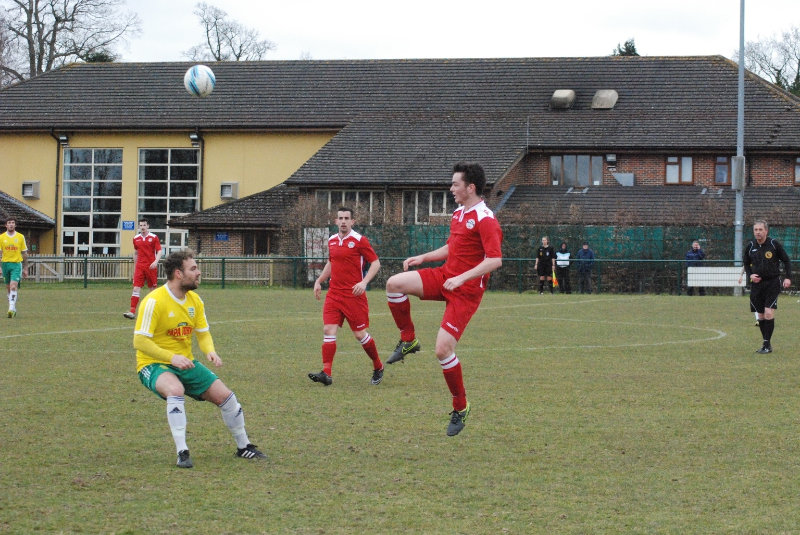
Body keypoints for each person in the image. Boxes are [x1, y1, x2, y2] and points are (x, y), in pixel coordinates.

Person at [384, 162, 503, 436]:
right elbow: (454, 247)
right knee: (394, 284)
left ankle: (460, 407)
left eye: (455, 184)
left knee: (442, 350)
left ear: (470, 188)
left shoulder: (486, 219)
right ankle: (408, 340)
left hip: (465, 292)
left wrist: (463, 278)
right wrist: (424, 257)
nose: (451, 189)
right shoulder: (460, 213)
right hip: (445, 277)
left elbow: (495, 259)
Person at [133, 249, 267, 468]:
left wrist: (209, 351)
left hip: (184, 362)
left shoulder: (195, 301)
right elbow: (140, 342)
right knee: (175, 390)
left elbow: (203, 333)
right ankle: (182, 452)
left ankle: (244, 447)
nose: (199, 273)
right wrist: (171, 357)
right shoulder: (154, 301)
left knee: (227, 398)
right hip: (152, 364)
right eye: (193, 269)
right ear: (178, 273)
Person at [309, 207, 384, 386]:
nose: (343, 221)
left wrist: (364, 282)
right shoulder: (332, 241)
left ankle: (378, 366)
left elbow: (376, 263)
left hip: (353, 296)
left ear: (352, 222)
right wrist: (319, 280)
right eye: (340, 218)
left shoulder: (360, 240)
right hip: (334, 294)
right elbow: (331, 263)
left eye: (346, 218)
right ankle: (326, 373)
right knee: (328, 330)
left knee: (360, 334)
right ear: (336, 221)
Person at [743, 220, 792, 354]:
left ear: (766, 231)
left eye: (760, 230)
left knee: (768, 312)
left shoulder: (773, 244)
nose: (758, 232)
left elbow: (786, 260)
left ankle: (767, 344)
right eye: (755, 230)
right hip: (757, 285)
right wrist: (751, 276)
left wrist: (788, 277)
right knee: (760, 315)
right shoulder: (750, 246)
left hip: (772, 282)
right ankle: (766, 343)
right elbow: (746, 264)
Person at [124, 218, 163, 319]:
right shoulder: (136, 238)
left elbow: (159, 251)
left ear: (148, 226)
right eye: (141, 225)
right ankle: (132, 311)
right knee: (136, 288)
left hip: (151, 267)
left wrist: (155, 262)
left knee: (153, 290)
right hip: (140, 267)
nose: (142, 227)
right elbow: (136, 253)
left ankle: (155, 312)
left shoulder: (154, 237)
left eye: (144, 225)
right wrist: (135, 266)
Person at [0, 218, 28, 318]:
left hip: (16, 264)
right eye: (9, 223)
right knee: (8, 288)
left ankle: (11, 309)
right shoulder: (1, 237)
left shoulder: (20, 237)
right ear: (6, 225)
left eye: (13, 223)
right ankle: (13, 306)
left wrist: (25, 268)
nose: (11, 224)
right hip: (5, 264)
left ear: (15, 225)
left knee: (13, 286)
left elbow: (24, 253)